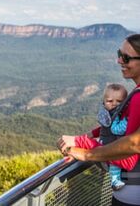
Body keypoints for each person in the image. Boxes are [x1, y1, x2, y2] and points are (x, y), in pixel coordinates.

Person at [58, 33, 140, 206]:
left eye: (125, 57)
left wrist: (85, 151)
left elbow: (133, 148)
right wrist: (87, 136)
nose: (119, 61)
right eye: (120, 54)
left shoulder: (139, 98)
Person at [73, 83, 128, 190]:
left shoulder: (108, 113)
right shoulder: (114, 115)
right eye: (110, 101)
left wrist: (92, 134)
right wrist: (127, 121)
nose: (114, 104)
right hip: (108, 145)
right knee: (115, 164)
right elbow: (115, 129)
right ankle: (115, 181)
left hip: (107, 142)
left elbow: (102, 127)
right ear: (104, 102)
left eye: (119, 101)